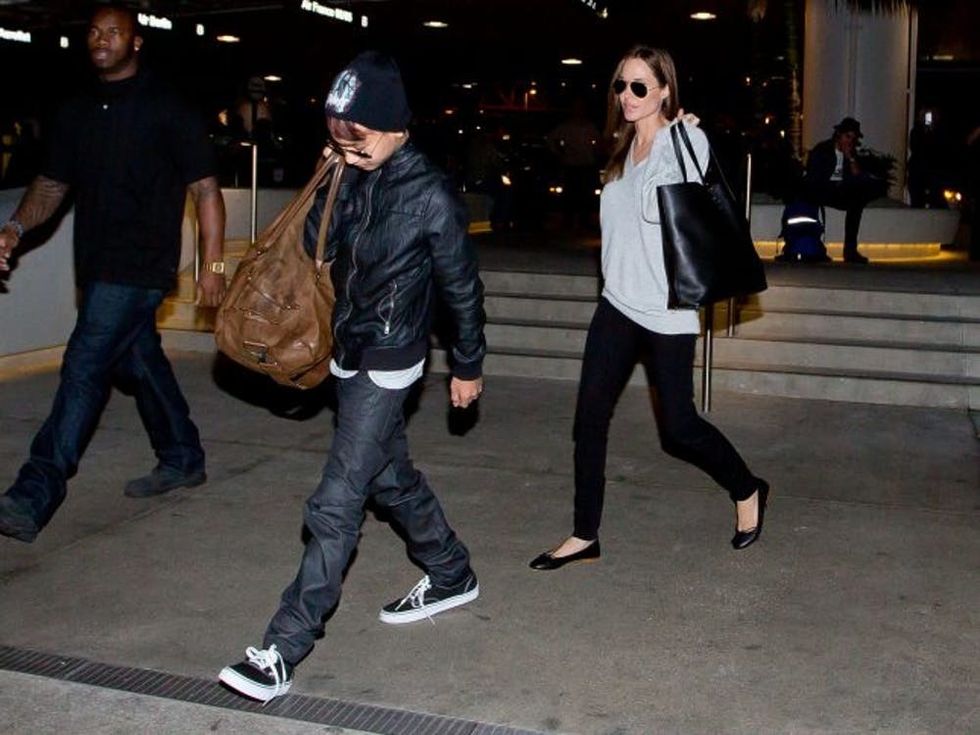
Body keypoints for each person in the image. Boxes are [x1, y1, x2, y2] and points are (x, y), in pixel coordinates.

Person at [219, 51, 486, 704]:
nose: (348, 145)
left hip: (391, 358)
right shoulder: (355, 172)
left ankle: (283, 645)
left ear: (393, 124)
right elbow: (321, 246)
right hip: (346, 347)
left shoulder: (430, 194)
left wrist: (469, 363)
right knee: (387, 475)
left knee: (337, 501)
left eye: (356, 136)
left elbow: (461, 286)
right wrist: (330, 176)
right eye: (338, 135)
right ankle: (451, 570)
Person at [528, 45, 769, 572]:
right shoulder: (618, 150)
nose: (628, 96)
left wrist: (678, 136)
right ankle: (583, 533)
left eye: (641, 86)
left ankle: (747, 488)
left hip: (666, 309)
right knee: (588, 419)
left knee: (679, 429)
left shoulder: (686, 140)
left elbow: (674, 206)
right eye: (621, 85)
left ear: (664, 90)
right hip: (616, 304)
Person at [0, 4, 226, 543]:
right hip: (96, 265)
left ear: (137, 41)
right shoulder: (77, 111)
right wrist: (12, 228)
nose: (101, 40)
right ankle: (181, 455)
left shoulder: (168, 108)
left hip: (142, 265)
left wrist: (213, 266)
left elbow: (206, 191)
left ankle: (33, 493)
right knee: (138, 359)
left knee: (83, 365)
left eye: (114, 32)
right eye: (94, 32)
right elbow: (51, 186)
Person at [803, 117, 878, 264]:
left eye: (853, 138)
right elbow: (814, 177)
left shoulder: (851, 153)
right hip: (822, 189)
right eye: (847, 136)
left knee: (857, 200)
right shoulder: (823, 150)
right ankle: (814, 247)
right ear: (839, 134)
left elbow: (858, 176)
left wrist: (850, 158)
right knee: (810, 198)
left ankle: (850, 251)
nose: (849, 141)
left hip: (840, 191)